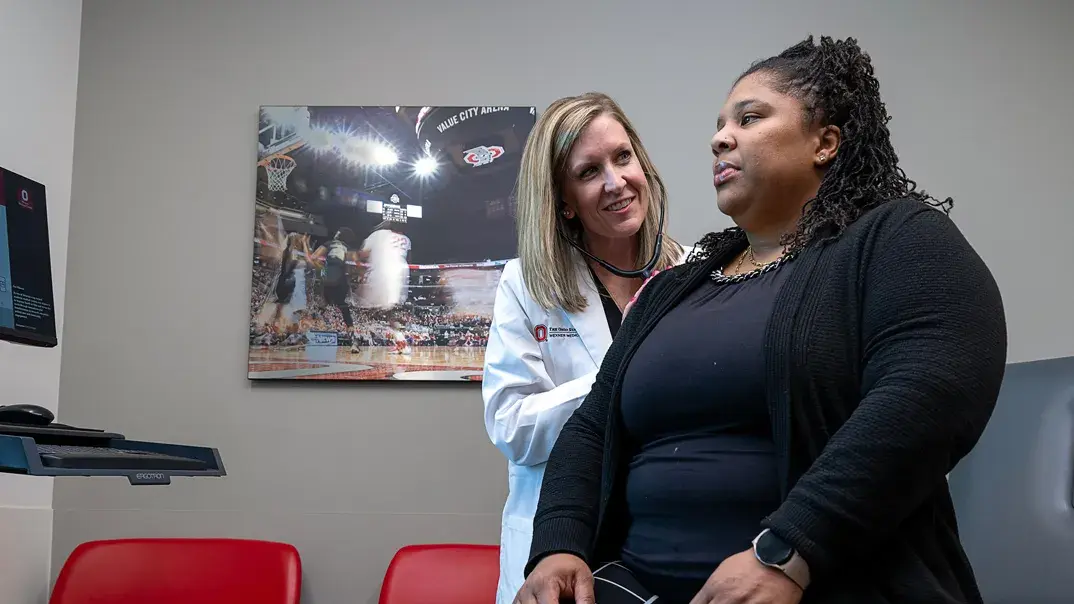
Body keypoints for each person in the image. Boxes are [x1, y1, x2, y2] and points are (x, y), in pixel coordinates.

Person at [516, 36, 1007, 604]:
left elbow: (929, 392)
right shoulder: (678, 284)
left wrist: (788, 552)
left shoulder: (895, 237)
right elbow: (591, 428)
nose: (719, 137)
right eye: (721, 123)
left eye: (749, 118)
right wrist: (559, 546)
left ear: (824, 142)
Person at [482, 92, 691, 604]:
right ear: (563, 200)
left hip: (664, 539)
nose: (616, 182)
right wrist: (616, 379)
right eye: (589, 170)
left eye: (623, 157)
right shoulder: (526, 283)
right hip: (561, 542)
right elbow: (511, 425)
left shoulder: (687, 271)